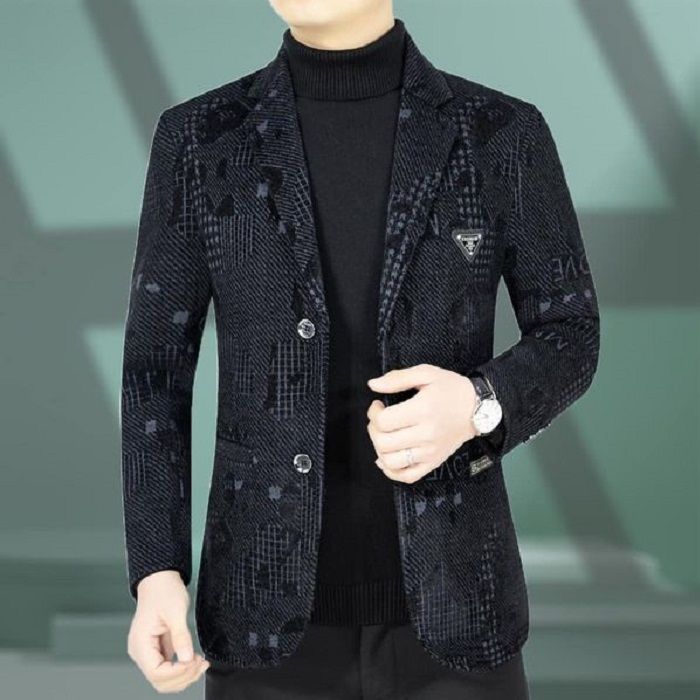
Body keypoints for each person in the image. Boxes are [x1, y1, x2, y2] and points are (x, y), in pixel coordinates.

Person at [120, 1, 600, 698]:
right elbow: (154, 373)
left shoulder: (499, 132)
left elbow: (571, 332)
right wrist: (157, 573)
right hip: (262, 623)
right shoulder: (201, 138)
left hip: (458, 616)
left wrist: (478, 404)